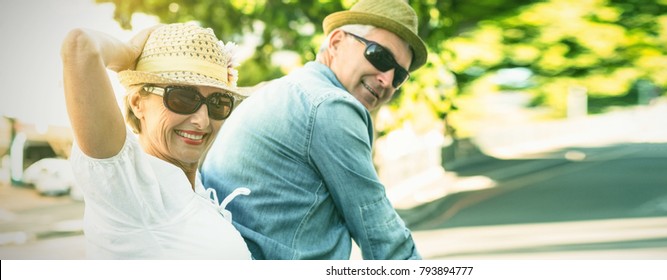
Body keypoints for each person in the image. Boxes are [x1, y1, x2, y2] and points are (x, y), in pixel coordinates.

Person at [201, 0, 426, 260]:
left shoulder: (283, 91)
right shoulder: (331, 106)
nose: (387, 80)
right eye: (380, 56)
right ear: (336, 42)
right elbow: (381, 234)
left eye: (399, 76)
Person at [62, 22, 252, 259]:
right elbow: (80, 45)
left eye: (217, 103)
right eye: (182, 98)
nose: (202, 121)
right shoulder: (130, 186)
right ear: (137, 103)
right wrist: (132, 52)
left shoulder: (190, 183)